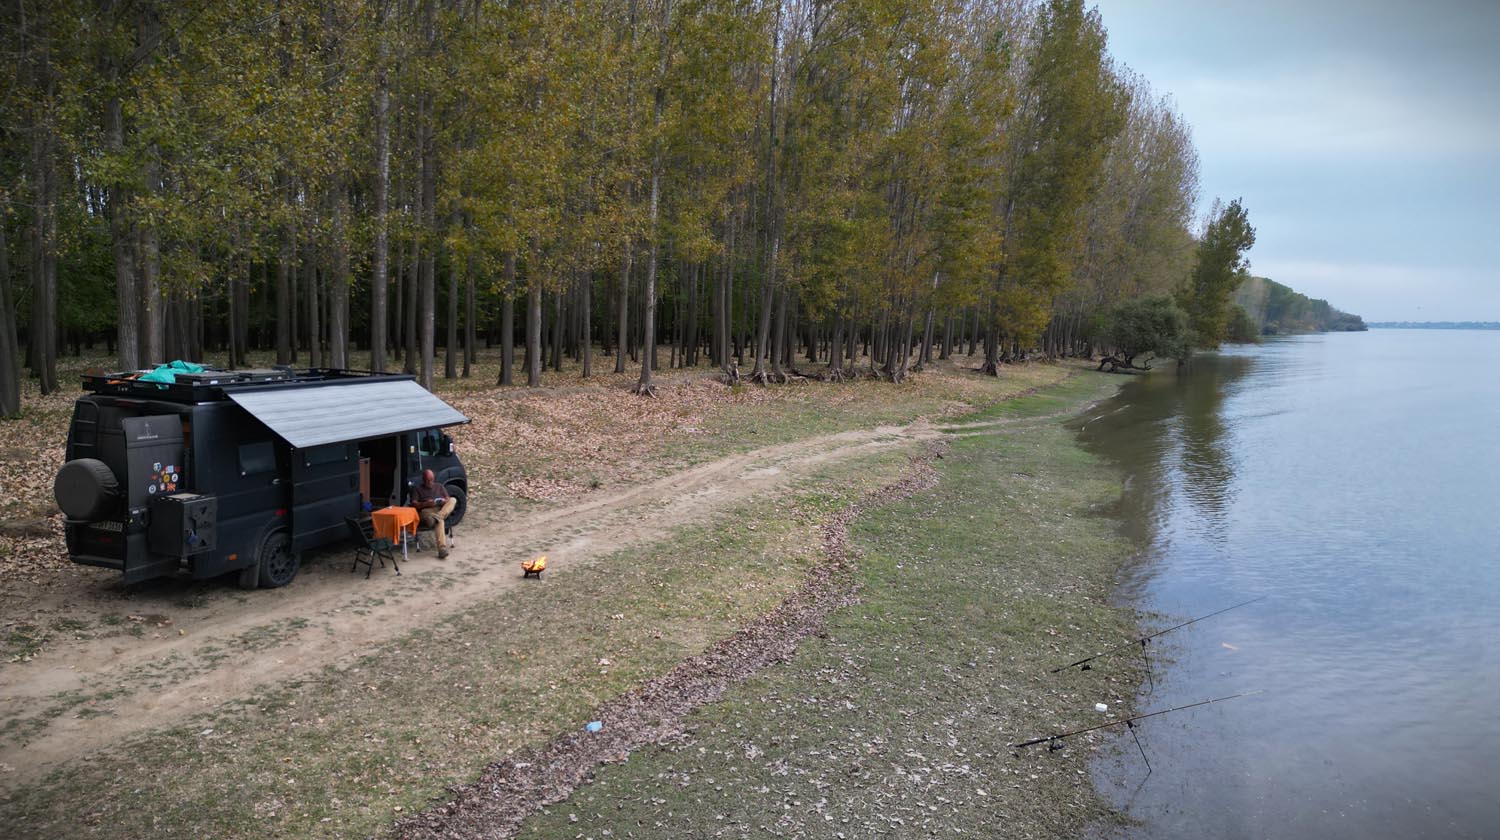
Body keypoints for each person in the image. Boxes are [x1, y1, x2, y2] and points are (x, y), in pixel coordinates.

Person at [410, 469, 455, 558]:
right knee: (438, 519)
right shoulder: (418, 488)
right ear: (423, 479)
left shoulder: (439, 486)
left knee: (453, 500)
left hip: (439, 509)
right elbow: (414, 504)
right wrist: (425, 503)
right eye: (428, 480)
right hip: (426, 510)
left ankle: (437, 517)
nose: (430, 482)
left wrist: (444, 501)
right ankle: (442, 548)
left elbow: (447, 498)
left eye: (432, 479)